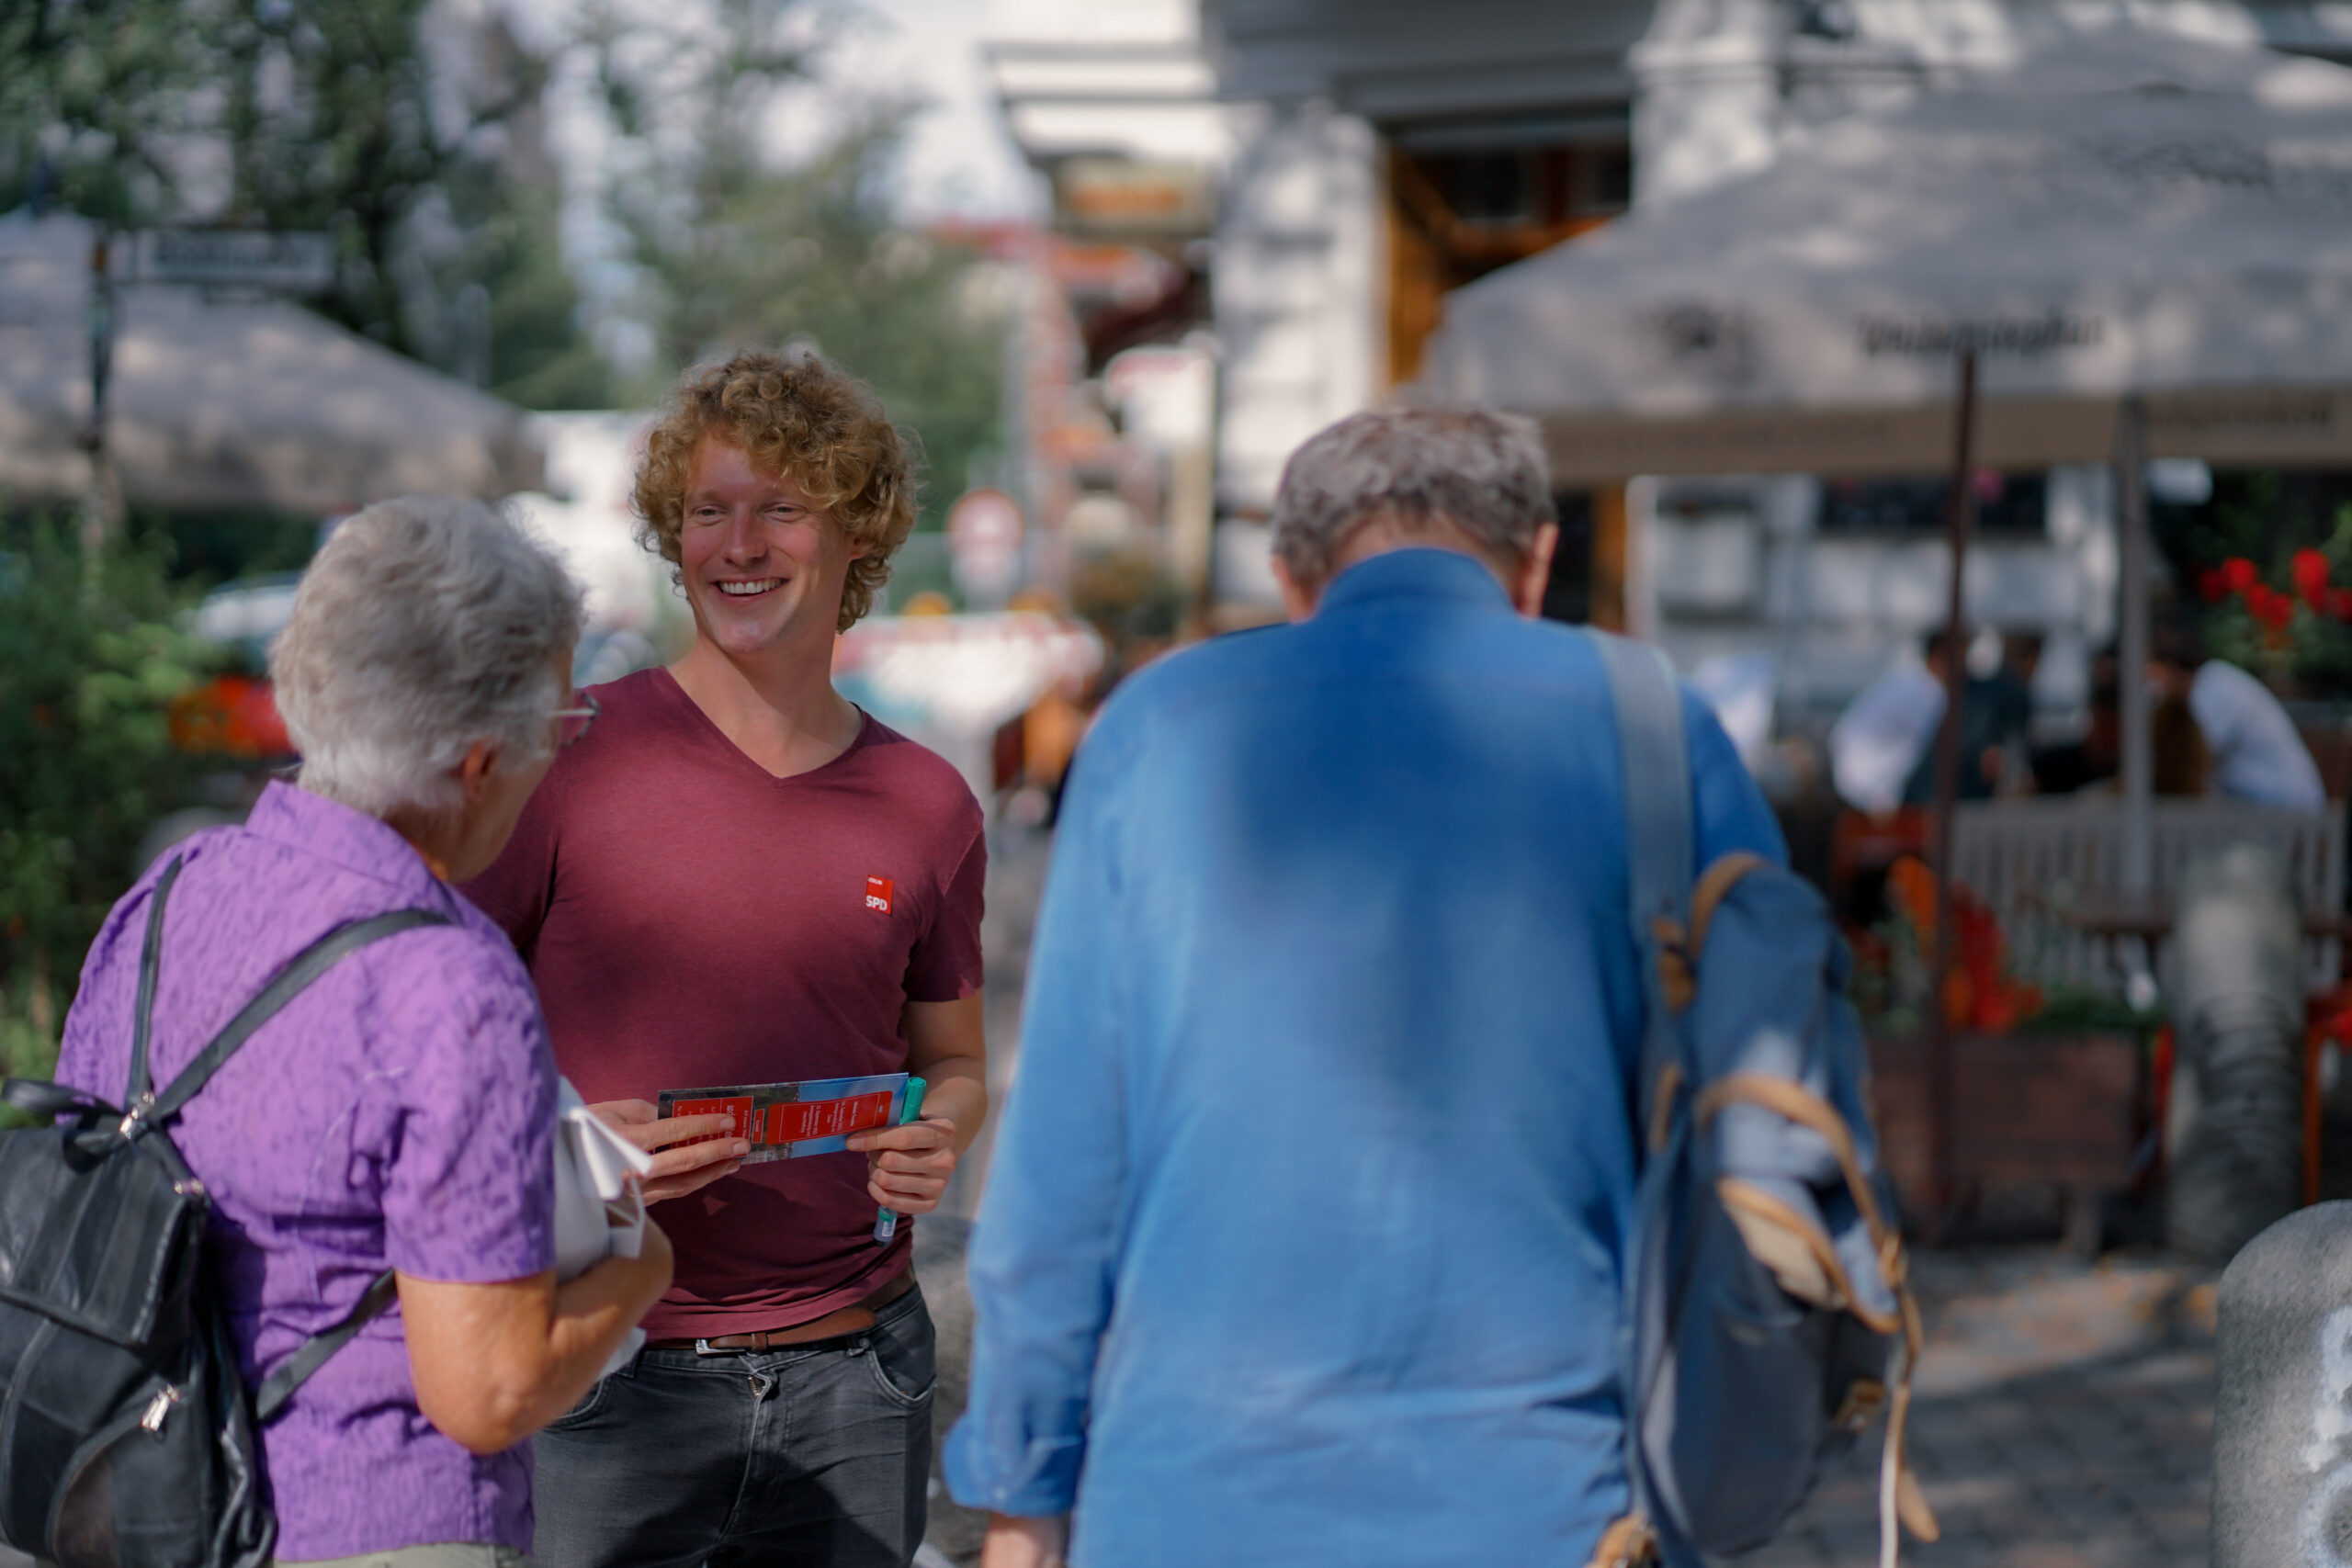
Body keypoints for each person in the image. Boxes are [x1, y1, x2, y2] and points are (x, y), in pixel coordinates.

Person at [944, 406, 1785, 1568]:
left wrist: (1022, 1501)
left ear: (1293, 580)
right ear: (1535, 561)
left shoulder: (1157, 730)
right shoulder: (1656, 729)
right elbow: (1773, 1119)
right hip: (1564, 1492)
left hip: (1197, 1496)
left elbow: (1062, 1174)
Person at [55, 497, 675, 1567]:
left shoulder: (165, 898)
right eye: (559, 729)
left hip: (141, 1505)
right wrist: (639, 1261)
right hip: (369, 1522)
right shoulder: (449, 980)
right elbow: (486, 1392)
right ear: (479, 763)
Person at [464, 350, 989, 1568]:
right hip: (604, 1368)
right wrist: (577, 1148)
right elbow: (435, 1032)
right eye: (709, 509)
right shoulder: (568, 756)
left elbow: (952, 1056)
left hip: (859, 1375)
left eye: (781, 508)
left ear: (857, 535)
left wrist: (945, 1130)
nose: (738, 543)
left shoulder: (929, 802)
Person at [2151, 617, 2325, 809]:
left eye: (2153, 675)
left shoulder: (2215, 686)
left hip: (2285, 806)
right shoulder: (2209, 685)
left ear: (2171, 669)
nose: (2153, 687)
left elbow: (2190, 763)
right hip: (2263, 806)